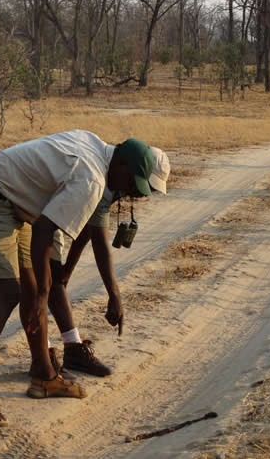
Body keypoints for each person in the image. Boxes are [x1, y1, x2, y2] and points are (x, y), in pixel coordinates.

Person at [0, 130, 162, 428]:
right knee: (8, 294)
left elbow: (51, 233)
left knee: (31, 290)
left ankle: (44, 376)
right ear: (122, 166)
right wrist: (44, 296)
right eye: (130, 184)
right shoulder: (92, 179)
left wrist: (43, 292)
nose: (128, 192)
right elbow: (45, 233)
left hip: (13, 203)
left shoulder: (94, 145)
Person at [42, 146, 170, 378]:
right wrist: (114, 295)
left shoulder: (118, 181)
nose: (143, 194)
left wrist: (68, 269)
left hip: (50, 212)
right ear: (132, 171)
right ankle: (43, 355)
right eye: (146, 185)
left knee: (53, 280)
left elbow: (89, 226)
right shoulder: (104, 177)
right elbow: (100, 241)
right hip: (37, 209)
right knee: (38, 283)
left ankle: (71, 349)